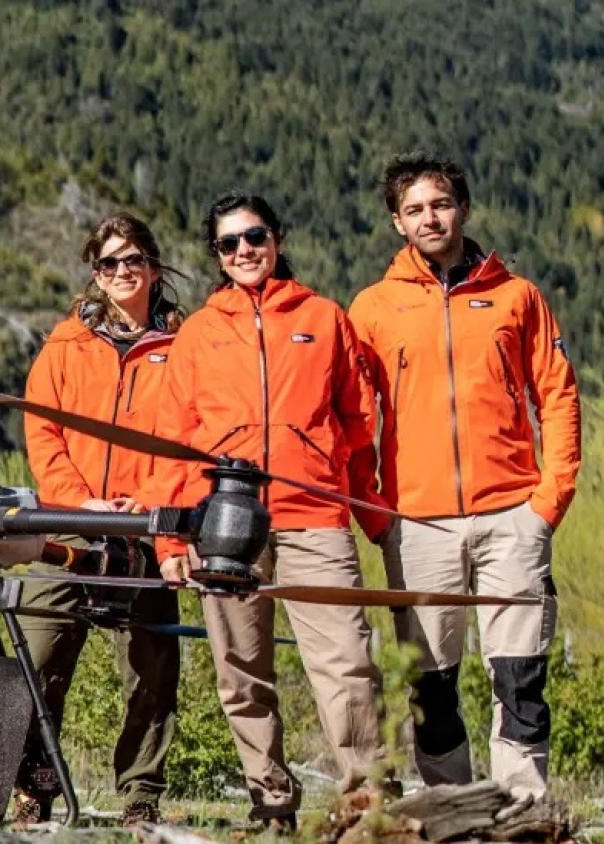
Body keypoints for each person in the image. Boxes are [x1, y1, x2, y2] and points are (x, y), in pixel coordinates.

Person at [147, 193, 387, 829]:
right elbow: (171, 444)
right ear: (217, 256)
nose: (244, 251)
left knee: (347, 666)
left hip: (316, 517)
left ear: (276, 239)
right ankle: (270, 801)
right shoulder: (198, 332)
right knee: (240, 671)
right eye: (228, 243)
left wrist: (373, 512)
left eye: (254, 237)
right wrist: (172, 544)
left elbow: (359, 423)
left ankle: (364, 806)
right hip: (225, 526)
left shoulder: (325, 318)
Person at [349, 153, 579, 799]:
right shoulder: (372, 309)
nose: (431, 217)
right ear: (398, 222)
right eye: (415, 208)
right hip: (418, 525)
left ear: (463, 208)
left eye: (441, 203)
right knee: (432, 685)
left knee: (520, 675)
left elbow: (557, 396)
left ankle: (522, 808)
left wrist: (547, 501)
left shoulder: (517, 296)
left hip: (513, 515)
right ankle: (451, 808)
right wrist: (376, 514)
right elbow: (351, 418)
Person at [11, 212, 184, 826]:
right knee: (38, 654)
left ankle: (140, 794)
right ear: (95, 273)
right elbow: (42, 428)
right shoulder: (66, 343)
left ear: (154, 269)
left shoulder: (183, 345)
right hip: (71, 521)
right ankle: (34, 783)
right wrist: (76, 500)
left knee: (151, 669)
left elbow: (193, 434)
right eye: (109, 262)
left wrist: (155, 498)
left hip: (151, 525)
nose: (121, 271)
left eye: (133, 259)